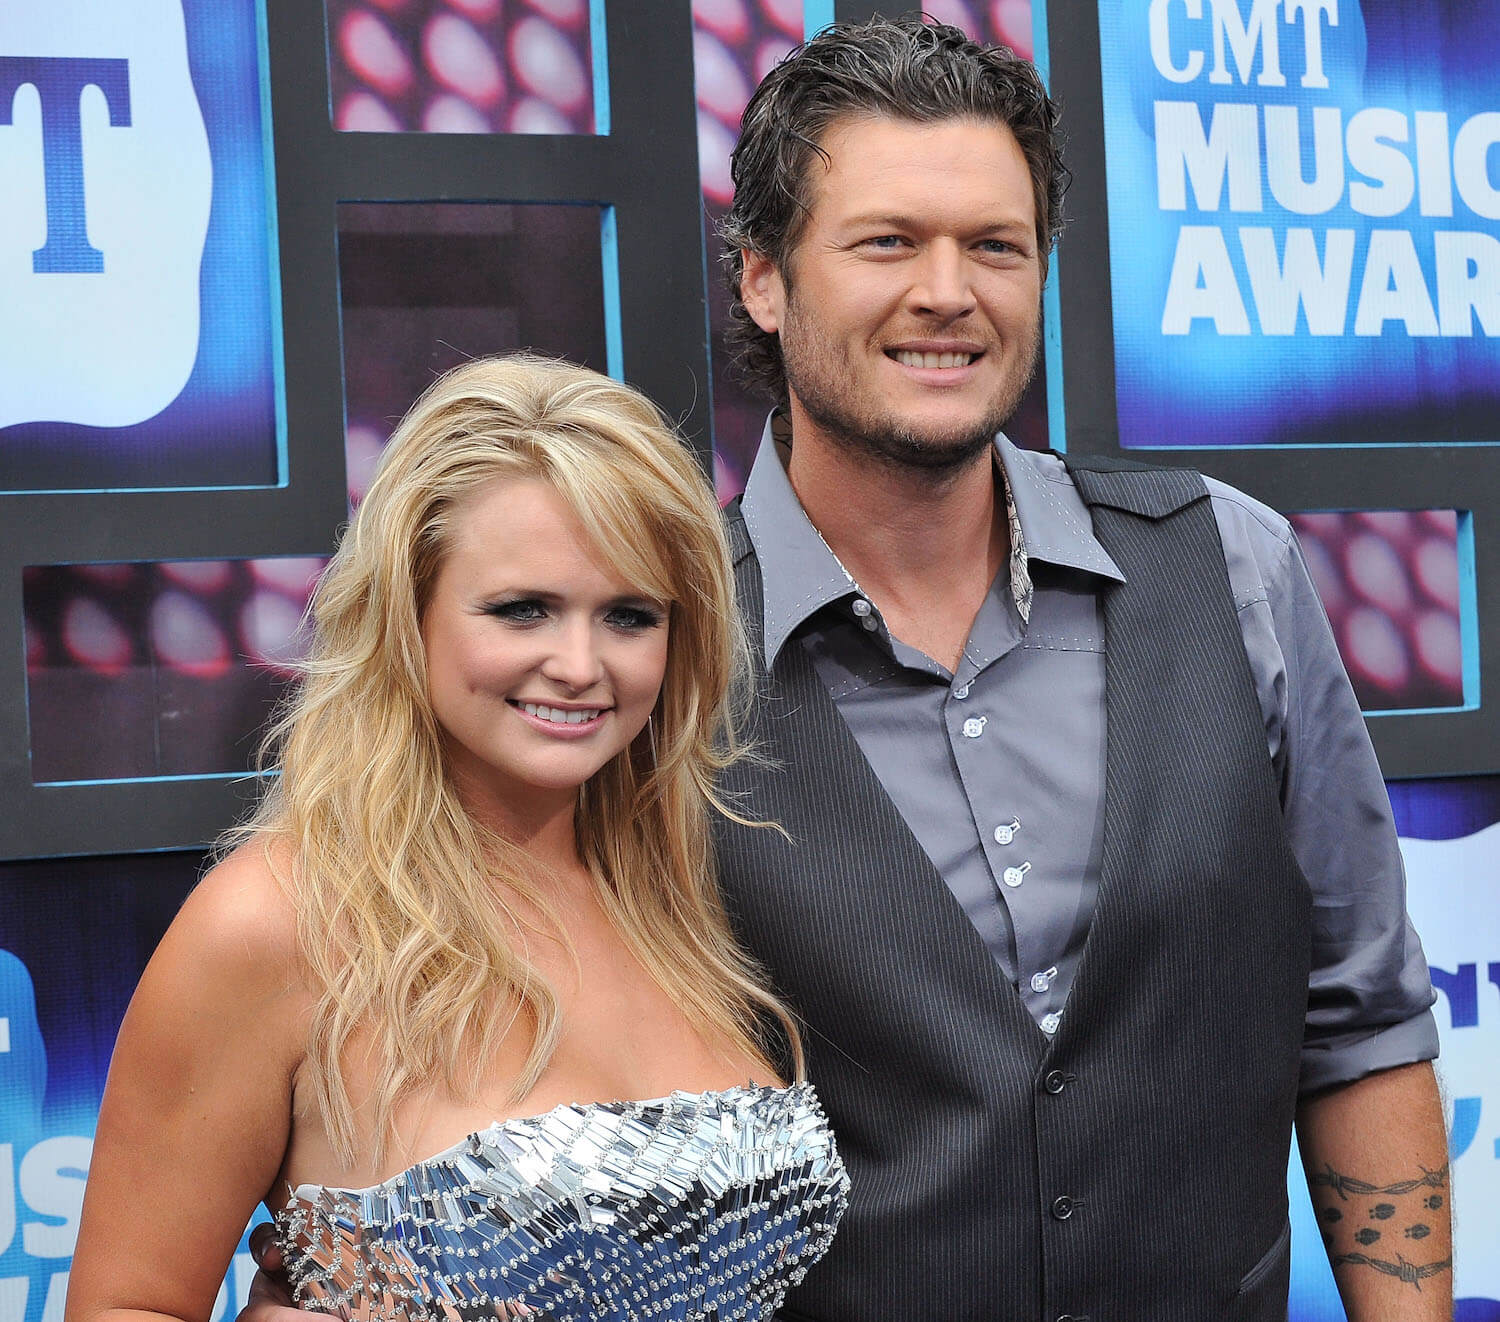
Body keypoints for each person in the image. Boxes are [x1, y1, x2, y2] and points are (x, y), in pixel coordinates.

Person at [242, 17, 1449, 1322]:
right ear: (763, 278)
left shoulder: (1233, 567)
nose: (949, 291)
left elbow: (1361, 1018)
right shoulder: (643, 648)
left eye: (994, 245)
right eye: (887, 243)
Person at [64, 356, 847, 1322]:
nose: (578, 664)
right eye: (523, 608)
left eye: (629, 616)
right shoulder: (279, 921)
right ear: (410, 615)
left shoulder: (677, 889)